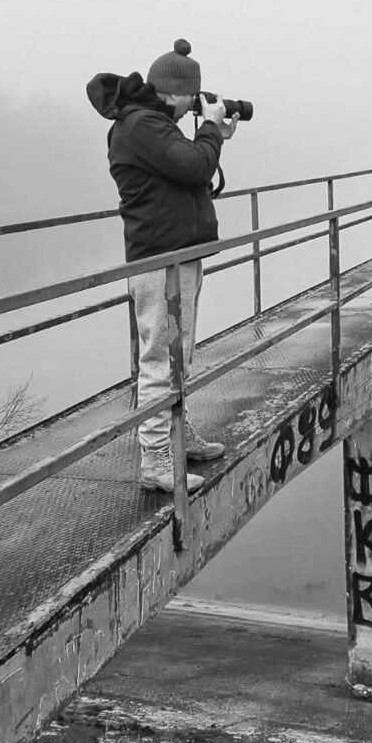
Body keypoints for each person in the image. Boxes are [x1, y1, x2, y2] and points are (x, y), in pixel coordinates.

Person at [86, 38, 238, 492]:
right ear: (174, 92)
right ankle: (155, 459)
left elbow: (187, 168)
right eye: (193, 96)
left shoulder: (152, 125)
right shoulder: (143, 126)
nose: (196, 103)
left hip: (177, 255)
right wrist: (210, 130)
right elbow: (195, 167)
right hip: (160, 261)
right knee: (161, 358)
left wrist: (214, 135)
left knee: (179, 354)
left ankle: (176, 435)